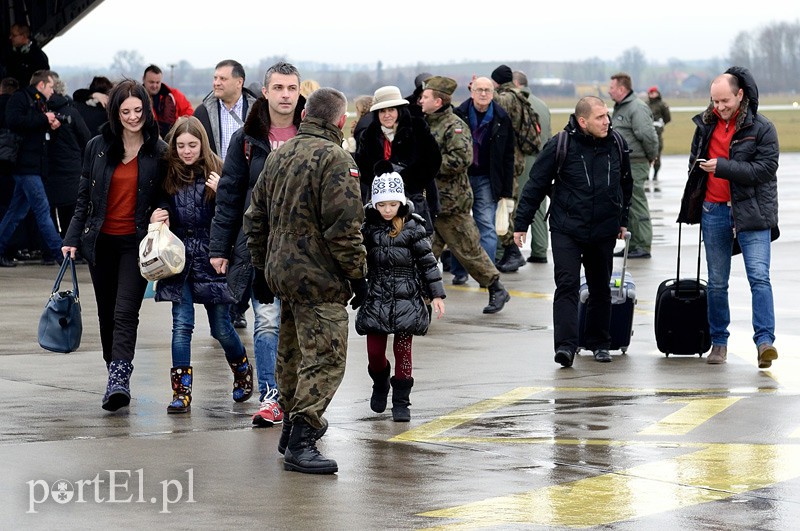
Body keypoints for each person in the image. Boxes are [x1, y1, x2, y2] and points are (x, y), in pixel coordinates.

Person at [244, 86, 367, 475]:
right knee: (326, 358)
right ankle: (303, 438)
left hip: (282, 273)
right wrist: (358, 274)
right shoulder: (336, 159)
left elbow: (255, 217)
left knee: (292, 354)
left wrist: (261, 267)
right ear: (340, 120)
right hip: (319, 278)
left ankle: (292, 430)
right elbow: (345, 227)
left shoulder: (280, 155)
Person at [62, 80, 168, 411]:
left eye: (138, 110)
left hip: (136, 244)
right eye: (126, 111)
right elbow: (84, 197)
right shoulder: (97, 146)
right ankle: (114, 373)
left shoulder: (159, 150)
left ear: (146, 111)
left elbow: (168, 194)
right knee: (107, 313)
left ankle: (120, 376)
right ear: (115, 112)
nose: (133, 117)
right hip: (101, 242)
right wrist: (71, 237)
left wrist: (163, 211)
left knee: (125, 312)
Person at [210, 61, 305, 428]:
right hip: (260, 249)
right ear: (264, 91)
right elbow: (230, 195)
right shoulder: (247, 139)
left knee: (299, 324)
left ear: (299, 91)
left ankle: (298, 394)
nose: (285, 95)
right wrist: (219, 248)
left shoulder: (314, 133)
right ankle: (271, 397)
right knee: (266, 322)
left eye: (291, 88)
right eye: (278, 88)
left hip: (304, 251)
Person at [513, 96, 632, 366]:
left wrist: (622, 220)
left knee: (601, 288)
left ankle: (600, 343)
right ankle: (566, 346)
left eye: (607, 116)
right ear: (583, 121)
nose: (607, 121)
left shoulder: (617, 144)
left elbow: (626, 185)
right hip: (567, 227)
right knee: (566, 286)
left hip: (603, 228)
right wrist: (521, 224)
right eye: (600, 117)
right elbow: (535, 186)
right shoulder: (561, 145)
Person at [677, 67, 779, 369]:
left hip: (752, 213)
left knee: (759, 278)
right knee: (718, 283)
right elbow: (694, 162)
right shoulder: (705, 125)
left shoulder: (762, 128)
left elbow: (763, 171)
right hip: (714, 210)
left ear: (740, 95)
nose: (719, 107)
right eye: (714, 101)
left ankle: (765, 342)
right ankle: (718, 342)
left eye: (725, 101)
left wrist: (721, 167)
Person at [151, 116, 252, 413]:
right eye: (180, 145)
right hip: (178, 258)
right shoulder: (167, 173)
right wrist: (158, 215)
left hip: (213, 258)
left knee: (221, 327)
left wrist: (224, 192)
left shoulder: (219, 170)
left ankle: (242, 371)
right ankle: (181, 392)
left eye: (192, 145)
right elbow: (159, 203)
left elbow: (237, 213)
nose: (186, 151)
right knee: (181, 326)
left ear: (202, 144)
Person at [355, 162, 445, 422]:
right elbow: (356, 259)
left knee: (403, 351)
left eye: (392, 204)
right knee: (374, 352)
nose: (386, 210)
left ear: (401, 202)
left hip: (407, 295)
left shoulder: (413, 227)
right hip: (377, 295)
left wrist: (436, 294)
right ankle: (380, 382)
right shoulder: (367, 228)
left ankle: (402, 400)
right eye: (381, 205)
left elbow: (428, 263)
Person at [418, 75, 510, 314]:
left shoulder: (454, 125)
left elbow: (462, 159)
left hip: (451, 204)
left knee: (469, 251)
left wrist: (428, 164)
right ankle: (422, 302)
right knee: (424, 254)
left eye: (425, 97)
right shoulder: (425, 123)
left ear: (438, 101)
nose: (421, 101)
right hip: (431, 203)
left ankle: (496, 287)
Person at [193, 59, 258, 328]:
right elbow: (195, 150)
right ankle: (225, 306)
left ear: (239, 82)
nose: (216, 83)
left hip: (249, 186)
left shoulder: (257, 112)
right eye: (215, 78)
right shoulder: (203, 111)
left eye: (222, 78)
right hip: (213, 184)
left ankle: (238, 306)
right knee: (221, 247)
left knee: (246, 249)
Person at [451, 76, 515, 282]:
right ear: (472, 91)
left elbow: (508, 156)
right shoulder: (458, 114)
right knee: (459, 225)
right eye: (479, 89)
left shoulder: (501, 117)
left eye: (488, 90)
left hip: (488, 179)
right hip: (462, 178)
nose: (484, 93)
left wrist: (506, 191)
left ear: (493, 93)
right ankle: (459, 272)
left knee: (486, 225)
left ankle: (487, 277)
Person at [355, 85, 441, 236]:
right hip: (380, 205)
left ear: (399, 111)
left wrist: (404, 178)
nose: (387, 115)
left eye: (391, 110)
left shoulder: (417, 128)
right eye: (382, 111)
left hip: (413, 199)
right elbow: (362, 165)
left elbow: (433, 160)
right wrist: (380, 173)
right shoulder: (369, 135)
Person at [0, 69, 64, 268]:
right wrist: (44, 119)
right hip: (26, 166)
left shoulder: (38, 102)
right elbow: (14, 121)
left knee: (16, 212)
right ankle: (60, 253)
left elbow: (30, 126)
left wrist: (48, 123)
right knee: (42, 210)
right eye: (51, 87)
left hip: (31, 166)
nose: (53, 91)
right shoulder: (20, 99)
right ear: (41, 85)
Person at [608, 72, 658, 259]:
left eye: (612, 87)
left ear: (622, 89)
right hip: (624, 163)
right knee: (626, 204)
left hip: (636, 163)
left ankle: (643, 244)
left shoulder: (636, 108)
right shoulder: (621, 108)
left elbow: (648, 135)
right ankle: (633, 244)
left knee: (636, 203)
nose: (609, 91)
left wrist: (652, 156)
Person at [490, 64, 530, 272]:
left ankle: (512, 251)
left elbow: (496, 102)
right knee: (507, 205)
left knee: (506, 206)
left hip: (510, 159)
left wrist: (481, 90)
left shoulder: (509, 97)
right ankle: (509, 250)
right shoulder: (515, 95)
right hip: (513, 158)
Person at [513, 70, 552, 265]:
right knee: (539, 206)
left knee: (519, 203)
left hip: (523, 159)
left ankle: (509, 249)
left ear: (516, 84)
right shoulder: (543, 105)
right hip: (542, 158)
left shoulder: (516, 103)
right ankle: (540, 249)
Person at [45, 73, 91, 241]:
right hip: (71, 169)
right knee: (71, 212)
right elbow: (86, 139)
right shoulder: (71, 113)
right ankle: (71, 246)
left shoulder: (44, 113)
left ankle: (49, 250)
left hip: (49, 169)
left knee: (47, 211)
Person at [143, 64, 194, 139]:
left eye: (157, 82)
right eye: (151, 82)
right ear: (143, 79)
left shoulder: (174, 95)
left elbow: (189, 113)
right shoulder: (137, 99)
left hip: (173, 140)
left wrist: (180, 124)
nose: (154, 86)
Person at [647, 86, 671, 182]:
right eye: (650, 93)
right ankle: (646, 175)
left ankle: (655, 174)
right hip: (647, 133)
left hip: (657, 133)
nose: (652, 95)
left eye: (654, 93)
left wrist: (660, 125)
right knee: (647, 154)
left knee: (657, 154)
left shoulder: (662, 105)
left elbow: (667, 118)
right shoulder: (645, 105)